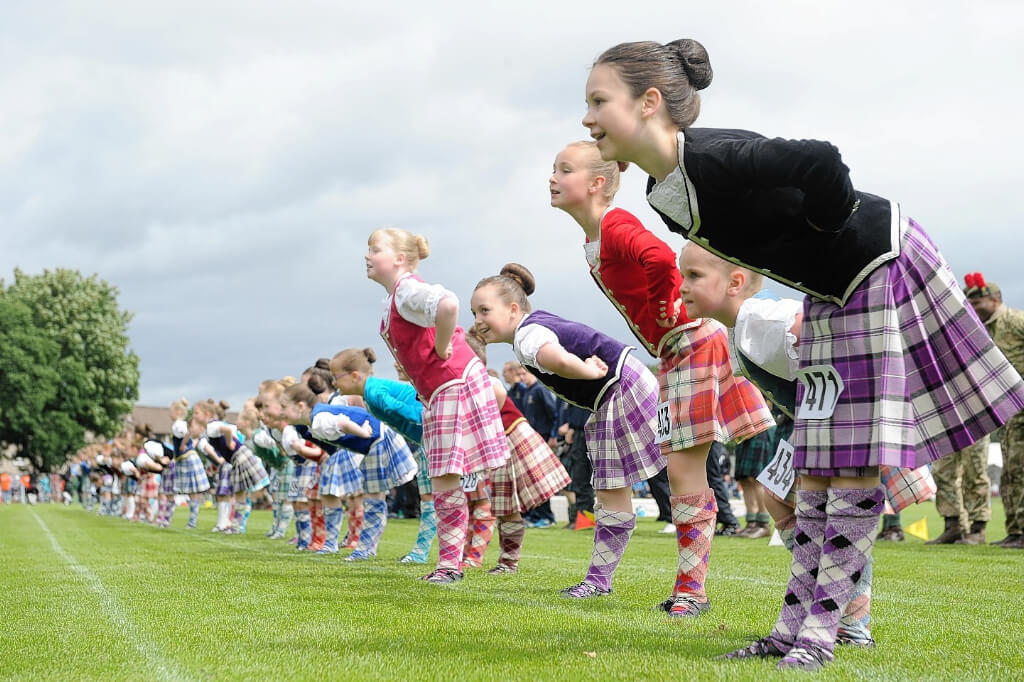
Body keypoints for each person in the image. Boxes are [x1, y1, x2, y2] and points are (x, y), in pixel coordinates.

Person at [582, 38, 1024, 668]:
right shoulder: (663, 189)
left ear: (648, 102)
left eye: (599, 101)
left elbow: (821, 161)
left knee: (851, 465)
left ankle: (823, 633)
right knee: (814, 469)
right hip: (829, 291)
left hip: (870, 267)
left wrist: (829, 233)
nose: (588, 117)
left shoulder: (712, 159)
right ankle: (793, 627)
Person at [549, 139, 773, 614]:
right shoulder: (598, 236)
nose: (552, 178)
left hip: (690, 340)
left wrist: (663, 308)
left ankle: (693, 592)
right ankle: (700, 588)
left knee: (687, 471)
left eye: (564, 169)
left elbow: (657, 258)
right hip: (679, 348)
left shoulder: (615, 225)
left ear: (597, 183)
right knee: (725, 471)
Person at [471, 263, 661, 600]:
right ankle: (600, 579)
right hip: (622, 385)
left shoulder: (527, 335)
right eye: (474, 313)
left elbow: (555, 358)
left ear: (513, 309)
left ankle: (599, 581)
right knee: (615, 486)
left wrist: (587, 371)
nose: (478, 320)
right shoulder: (530, 328)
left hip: (618, 387)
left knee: (613, 488)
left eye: (484, 310)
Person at [366, 228, 508, 584]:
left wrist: (442, 347)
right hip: (445, 386)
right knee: (447, 477)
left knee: (444, 478)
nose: (367, 256)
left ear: (400, 259)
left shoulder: (406, 289)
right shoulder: (397, 295)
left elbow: (448, 304)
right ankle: (451, 563)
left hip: (451, 383)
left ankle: (449, 566)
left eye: (375, 249)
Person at [963, 274, 1024, 548]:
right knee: (1011, 471)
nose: (974, 308)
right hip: (1008, 413)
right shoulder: (982, 330)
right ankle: (1016, 530)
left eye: (978, 302)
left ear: (995, 299)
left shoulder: (1016, 321)